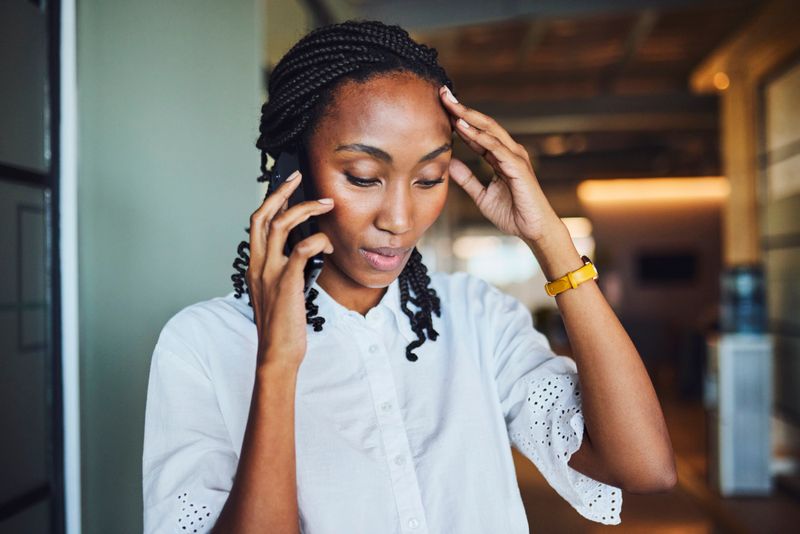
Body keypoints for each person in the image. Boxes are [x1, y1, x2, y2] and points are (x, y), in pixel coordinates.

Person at [142, 20, 676, 534]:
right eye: (364, 177)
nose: (399, 219)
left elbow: (643, 467)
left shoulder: (478, 317)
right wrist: (278, 365)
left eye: (429, 178)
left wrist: (552, 241)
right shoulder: (202, 344)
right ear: (291, 170)